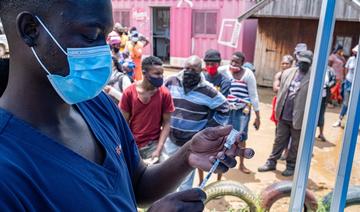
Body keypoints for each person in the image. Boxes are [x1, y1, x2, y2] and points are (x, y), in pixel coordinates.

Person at [0, 1, 244, 211]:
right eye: (89, 35)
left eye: (104, 38)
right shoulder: (8, 168)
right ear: (31, 30)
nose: (104, 52)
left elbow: (137, 185)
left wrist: (187, 155)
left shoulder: (97, 105)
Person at [163, 55, 230, 191]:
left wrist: (209, 129)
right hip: (171, 137)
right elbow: (160, 99)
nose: (189, 72)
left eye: (193, 69)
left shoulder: (208, 90)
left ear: (201, 70)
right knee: (166, 172)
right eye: (187, 68)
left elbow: (225, 108)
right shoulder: (171, 82)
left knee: (185, 177)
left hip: (191, 142)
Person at [258, 50, 313, 177]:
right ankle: (271, 162)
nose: (303, 65)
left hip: (299, 117)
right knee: (279, 140)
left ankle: (291, 166)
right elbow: (281, 91)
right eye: (301, 62)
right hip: (283, 114)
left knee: (295, 144)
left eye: (306, 63)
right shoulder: (288, 73)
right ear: (297, 61)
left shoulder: (313, 78)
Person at [120, 56, 174, 161]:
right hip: (133, 144)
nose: (161, 77)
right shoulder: (129, 92)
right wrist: (126, 146)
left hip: (153, 145)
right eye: (157, 74)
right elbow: (123, 123)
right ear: (144, 73)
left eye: (162, 74)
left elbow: (167, 123)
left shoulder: (165, 94)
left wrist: (158, 149)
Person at [199, 49, 231, 182]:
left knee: (220, 153)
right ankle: (201, 180)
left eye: (214, 64)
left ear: (219, 64)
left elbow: (221, 103)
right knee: (199, 152)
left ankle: (218, 181)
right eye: (208, 64)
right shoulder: (201, 78)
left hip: (219, 124)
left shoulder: (225, 81)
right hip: (202, 122)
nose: (210, 67)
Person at [227, 52, 261, 174]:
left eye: (237, 62)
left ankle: (241, 164)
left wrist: (258, 117)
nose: (233, 64)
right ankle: (225, 160)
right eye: (232, 61)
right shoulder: (226, 71)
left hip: (243, 110)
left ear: (242, 63)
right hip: (228, 109)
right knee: (226, 135)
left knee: (241, 137)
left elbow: (254, 95)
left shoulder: (248, 74)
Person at [270, 55, 294, 161]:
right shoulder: (279, 75)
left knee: (291, 129)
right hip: (278, 103)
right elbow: (275, 88)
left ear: (291, 64)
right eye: (283, 63)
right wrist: (290, 89)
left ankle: (287, 152)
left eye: (287, 63)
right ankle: (279, 151)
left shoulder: (295, 75)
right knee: (279, 129)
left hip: (291, 104)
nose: (284, 65)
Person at [332, 44, 358, 128]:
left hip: (357, 86)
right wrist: (346, 77)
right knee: (346, 102)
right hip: (348, 82)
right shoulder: (351, 59)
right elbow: (346, 68)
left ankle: (352, 123)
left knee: (355, 104)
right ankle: (339, 119)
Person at [317, 61, 336, 141]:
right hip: (314, 96)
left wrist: (327, 85)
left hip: (324, 96)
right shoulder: (315, 68)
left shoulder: (330, 70)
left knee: (321, 114)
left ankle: (321, 133)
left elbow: (333, 81)